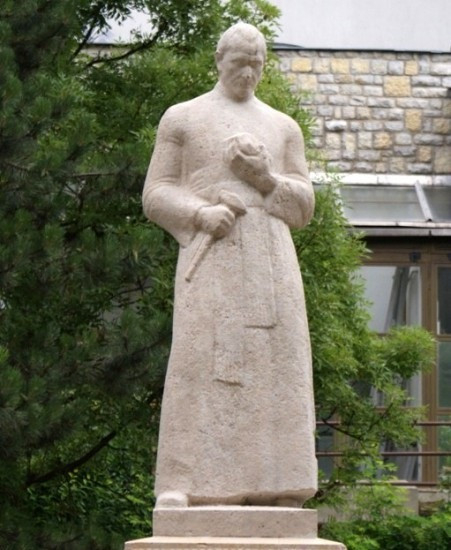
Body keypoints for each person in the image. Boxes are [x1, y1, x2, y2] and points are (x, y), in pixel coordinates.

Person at [142, 22, 317, 509]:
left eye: (257, 64)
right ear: (219, 59)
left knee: (276, 365)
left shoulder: (283, 127)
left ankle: (282, 483)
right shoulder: (183, 118)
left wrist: (264, 179)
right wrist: (200, 213)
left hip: (271, 259)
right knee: (197, 362)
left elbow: (304, 208)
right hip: (213, 255)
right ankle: (183, 483)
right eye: (240, 62)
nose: (248, 73)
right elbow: (155, 193)